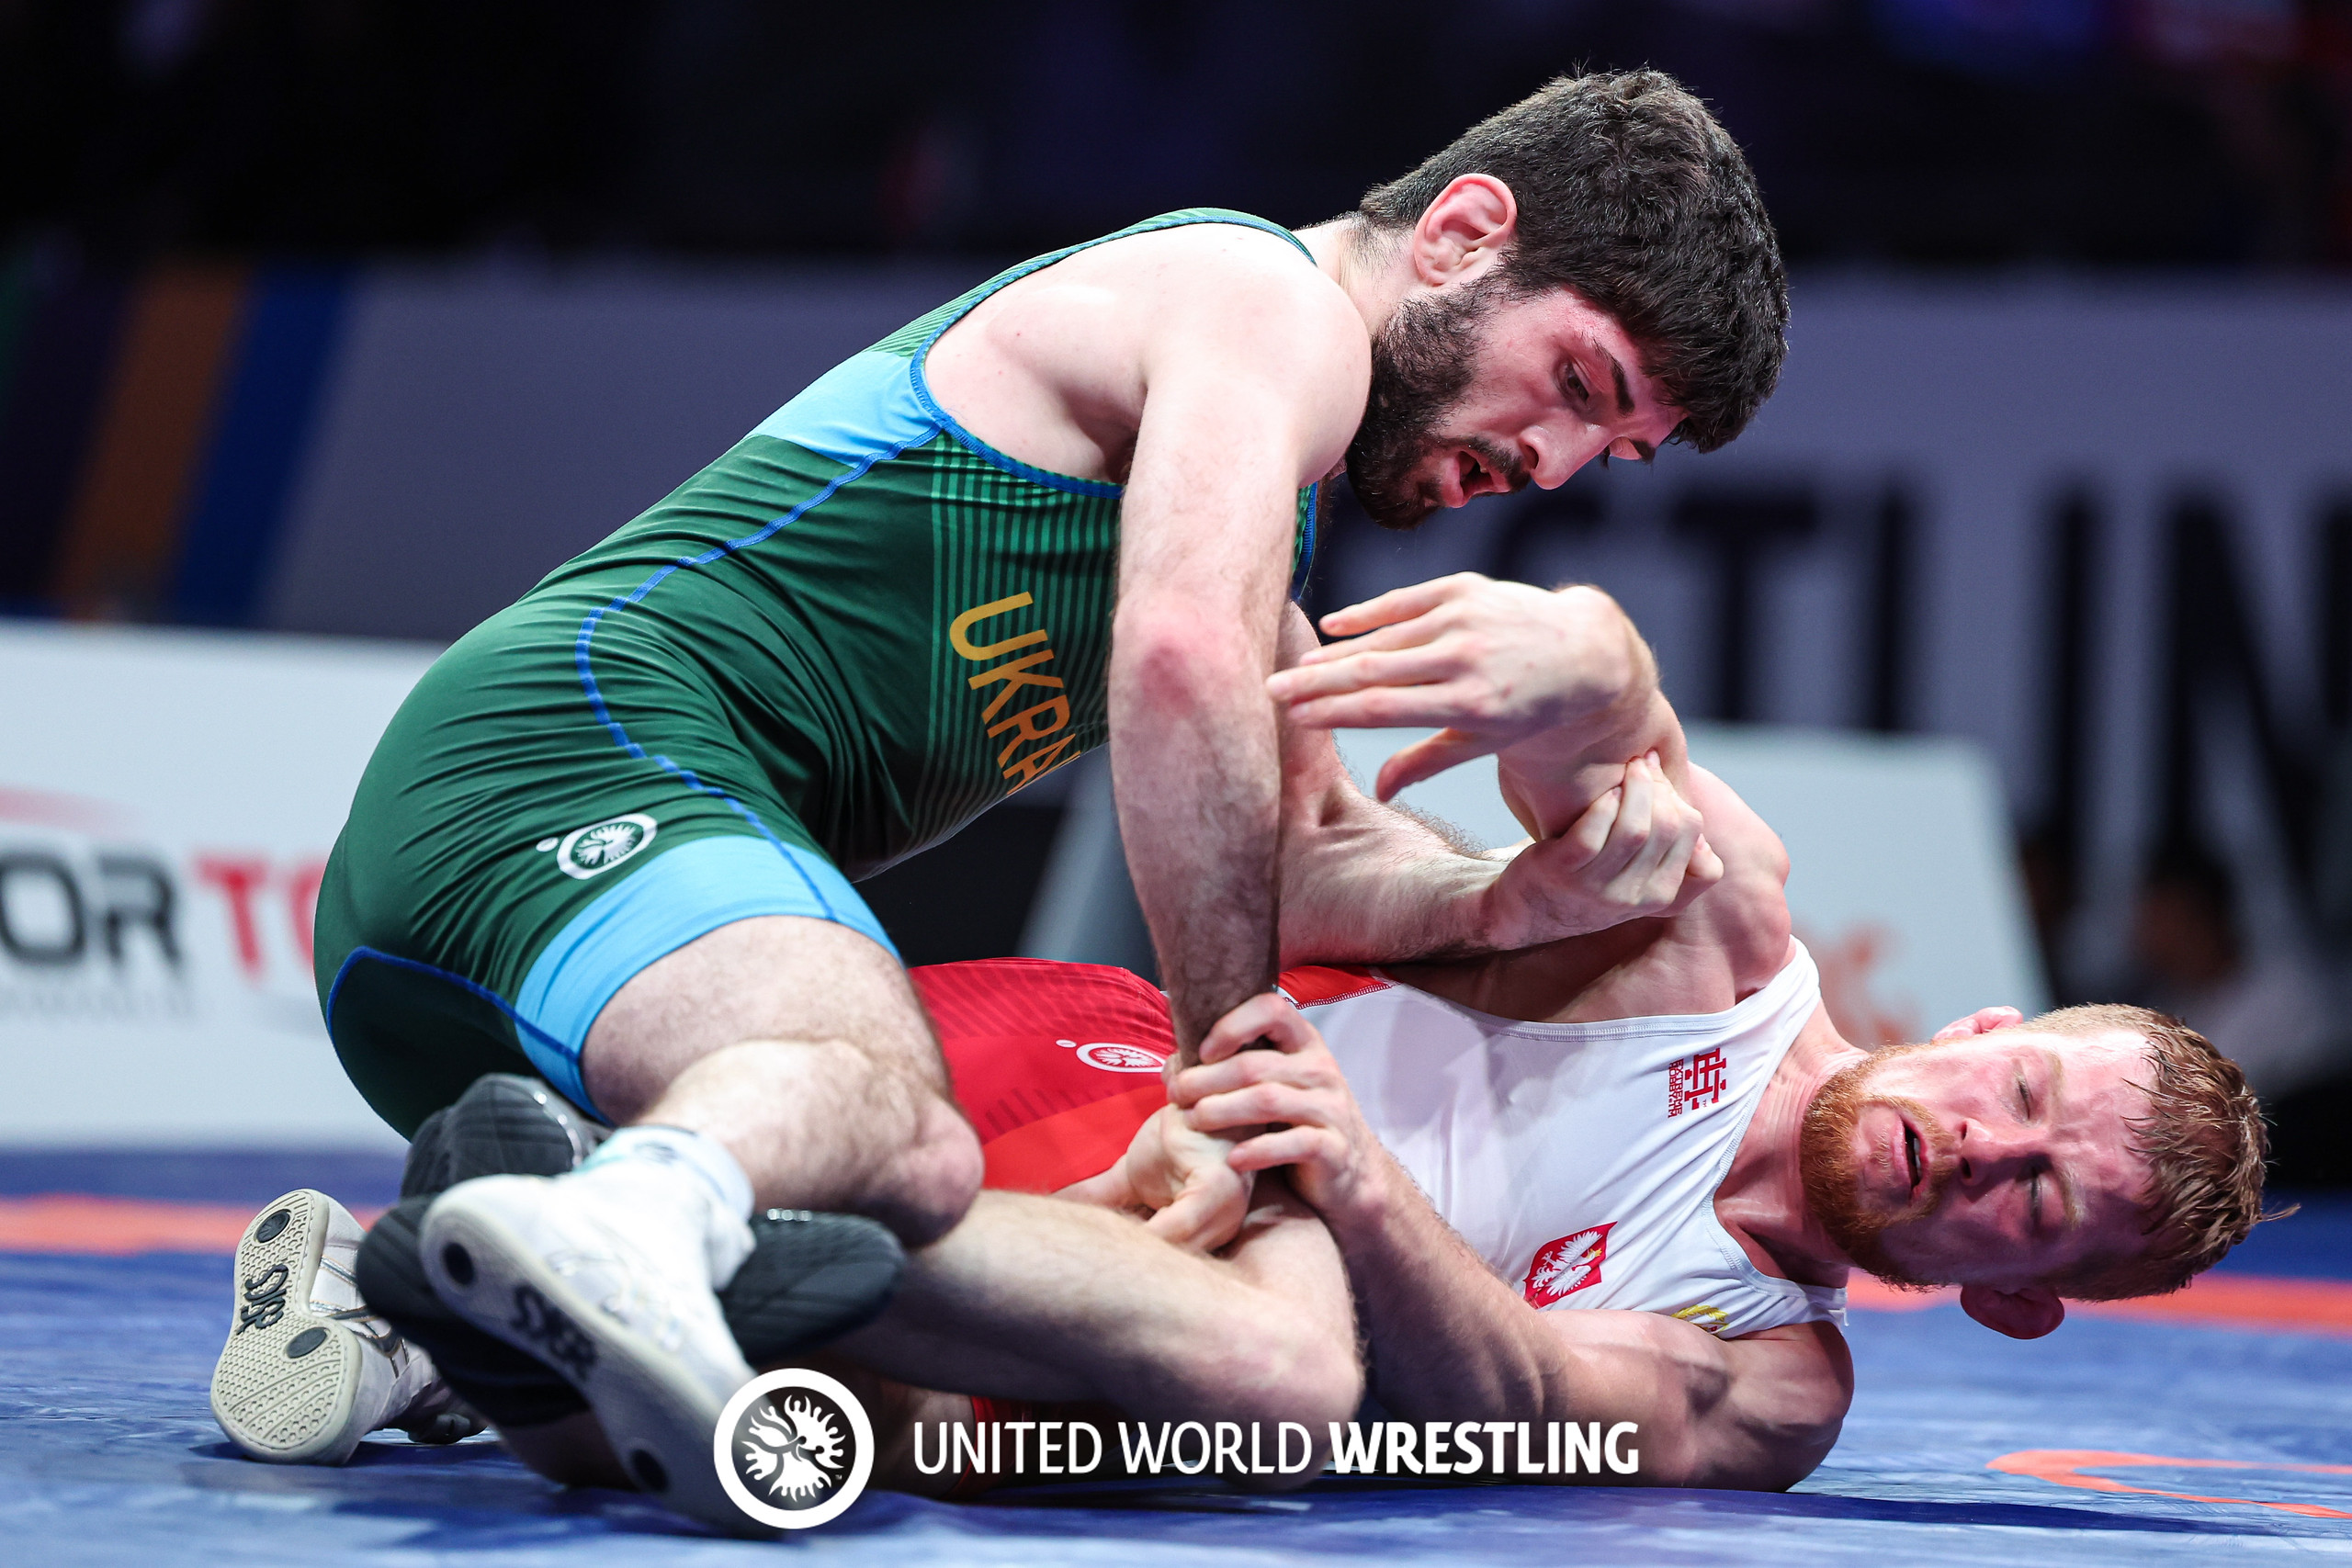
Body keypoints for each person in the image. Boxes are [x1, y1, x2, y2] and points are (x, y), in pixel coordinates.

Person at [230, 70, 1787, 1527]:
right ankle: (621, 1227)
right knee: (871, 1091)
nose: (1553, 461)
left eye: (1612, 447)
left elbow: (1293, 855)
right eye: (1578, 383)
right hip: (557, 755)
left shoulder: (1249, 481)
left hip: (508, 954)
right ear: (1461, 234)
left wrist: (1507, 905)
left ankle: (417, 1313)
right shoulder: (1268, 309)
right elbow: (1178, 668)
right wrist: (1222, 1072)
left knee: (962, 1203)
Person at [335, 576, 2269, 1506]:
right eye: (2019, 1095)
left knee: (1140, 1442)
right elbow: (1608, 746)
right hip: (1088, 1071)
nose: (1984, 1148)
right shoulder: (1723, 925)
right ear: (1987, 1025)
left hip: (1186, 1281)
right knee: (1226, 1405)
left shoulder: (1775, 1387)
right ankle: (577, 1278)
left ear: (2024, 1301)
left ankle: (475, 1309)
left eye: (2039, 1204)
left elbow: (1506, 1392)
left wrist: (1347, 1176)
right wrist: (1593, 656)